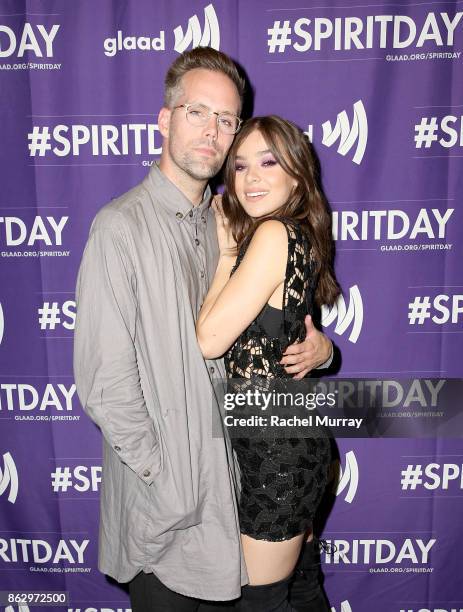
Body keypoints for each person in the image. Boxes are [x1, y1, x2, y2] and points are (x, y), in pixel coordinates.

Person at [74, 47, 333, 611]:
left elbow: (268, 328)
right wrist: (165, 479)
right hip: (170, 509)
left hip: (237, 485)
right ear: (165, 119)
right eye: (198, 112)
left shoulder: (228, 222)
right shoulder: (120, 228)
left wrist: (320, 348)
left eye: (226, 119)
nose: (213, 131)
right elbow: (105, 383)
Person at [196, 115, 340, 611]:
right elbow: (296, 336)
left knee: (262, 602)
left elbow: (210, 340)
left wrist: (224, 255)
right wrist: (324, 351)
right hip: (289, 441)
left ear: (296, 173)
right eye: (239, 166)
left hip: (275, 456)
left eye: (267, 162)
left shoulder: (274, 234)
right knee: (300, 587)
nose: (250, 178)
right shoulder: (298, 234)